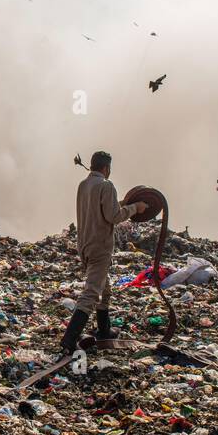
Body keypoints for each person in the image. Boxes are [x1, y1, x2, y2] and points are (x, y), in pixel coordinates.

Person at [60, 151, 146, 354]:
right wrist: (135, 208)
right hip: (100, 246)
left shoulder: (84, 185)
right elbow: (114, 216)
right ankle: (69, 339)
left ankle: (104, 329)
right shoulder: (106, 185)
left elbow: (102, 209)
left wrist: (123, 202)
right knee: (91, 293)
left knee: (104, 289)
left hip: (84, 244)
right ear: (107, 168)